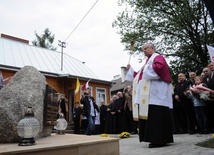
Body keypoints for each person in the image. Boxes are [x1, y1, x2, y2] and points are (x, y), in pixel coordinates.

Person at [126, 42, 173, 148]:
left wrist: (145, 68)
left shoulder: (157, 57)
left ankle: (158, 140)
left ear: (152, 48)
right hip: (149, 96)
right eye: (143, 49)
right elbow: (139, 76)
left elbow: (159, 68)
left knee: (157, 116)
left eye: (146, 48)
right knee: (153, 116)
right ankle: (158, 138)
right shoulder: (148, 61)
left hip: (156, 94)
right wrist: (130, 69)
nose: (144, 51)